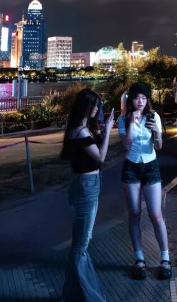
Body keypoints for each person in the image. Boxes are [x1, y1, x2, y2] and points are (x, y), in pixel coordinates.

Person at [59, 89, 115, 302]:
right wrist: (108, 130)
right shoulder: (79, 131)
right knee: (81, 246)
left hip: (91, 183)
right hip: (86, 185)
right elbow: (100, 156)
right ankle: (86, 296)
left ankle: (73, 294)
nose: (96, 110)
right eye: (93, 106)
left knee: (83, 242)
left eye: (97, 106)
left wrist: (101, 128)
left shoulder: (84, 129)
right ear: (84, 106)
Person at [118, 82, 171, 281]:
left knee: (156, 215)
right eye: (137, 97)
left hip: (150, 166)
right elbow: (127, 145)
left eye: (144, 97)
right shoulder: (123, 119)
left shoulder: (153, 116)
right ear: (131, 99)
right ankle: (139, 258)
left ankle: (165, 259)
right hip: (131, 167)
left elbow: (158, 146)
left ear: (147, 99)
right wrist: (131, 123)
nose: (140, 101)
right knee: (134, 213)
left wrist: (157, 132)